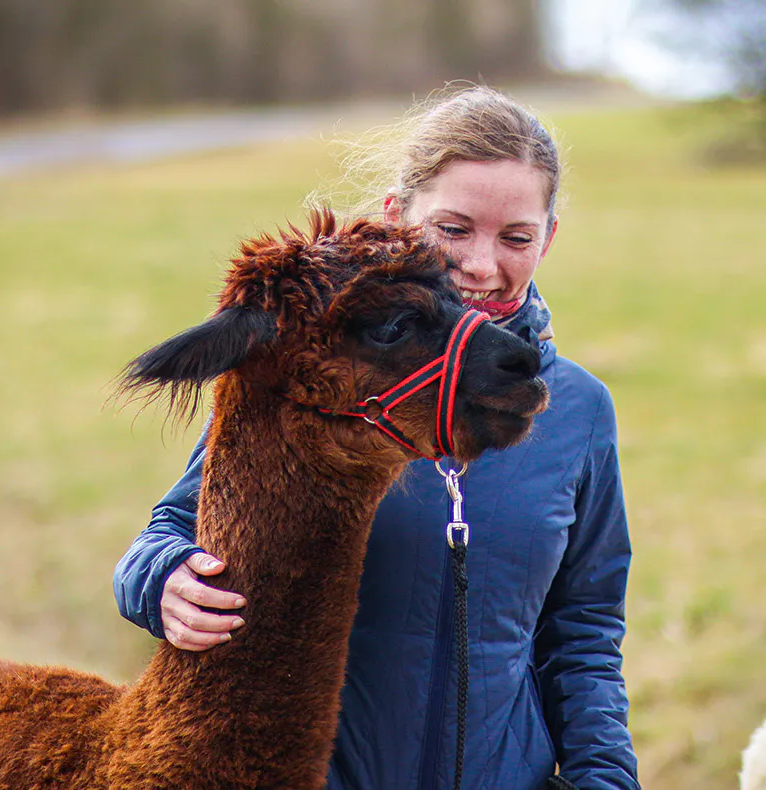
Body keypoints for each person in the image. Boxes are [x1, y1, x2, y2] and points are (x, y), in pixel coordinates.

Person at [113, 86, 640, 790]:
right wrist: (162, 581)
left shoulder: (575, 410)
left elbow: (584, 630)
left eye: (515, 237)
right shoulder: (328, 379)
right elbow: (169, 533)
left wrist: (607, 777)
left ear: (546, 238)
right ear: (398, 217)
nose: (482, 266)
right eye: (454, 230)